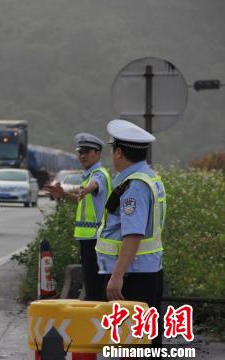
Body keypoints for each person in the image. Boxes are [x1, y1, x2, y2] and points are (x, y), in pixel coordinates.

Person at [96, 119, 166, 348]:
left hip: (131, 275)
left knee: (132, 342)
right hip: (148, 269)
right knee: (147, 339)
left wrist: (116, 276)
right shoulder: (150, 177)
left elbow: (133, 235)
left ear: (118, 153)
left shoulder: (134, 186)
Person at [44, 133, 111, 300]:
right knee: (90, 282)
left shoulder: (99, 173)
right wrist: (64, 194)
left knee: (95, 285)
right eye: (81, 152)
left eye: (87, 152)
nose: (83, 156)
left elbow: (95, 184)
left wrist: (87, 188)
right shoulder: (88, 174)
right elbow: (81, 199)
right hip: (86, 237)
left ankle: (98, 321)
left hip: (96, 239)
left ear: (97, 153)